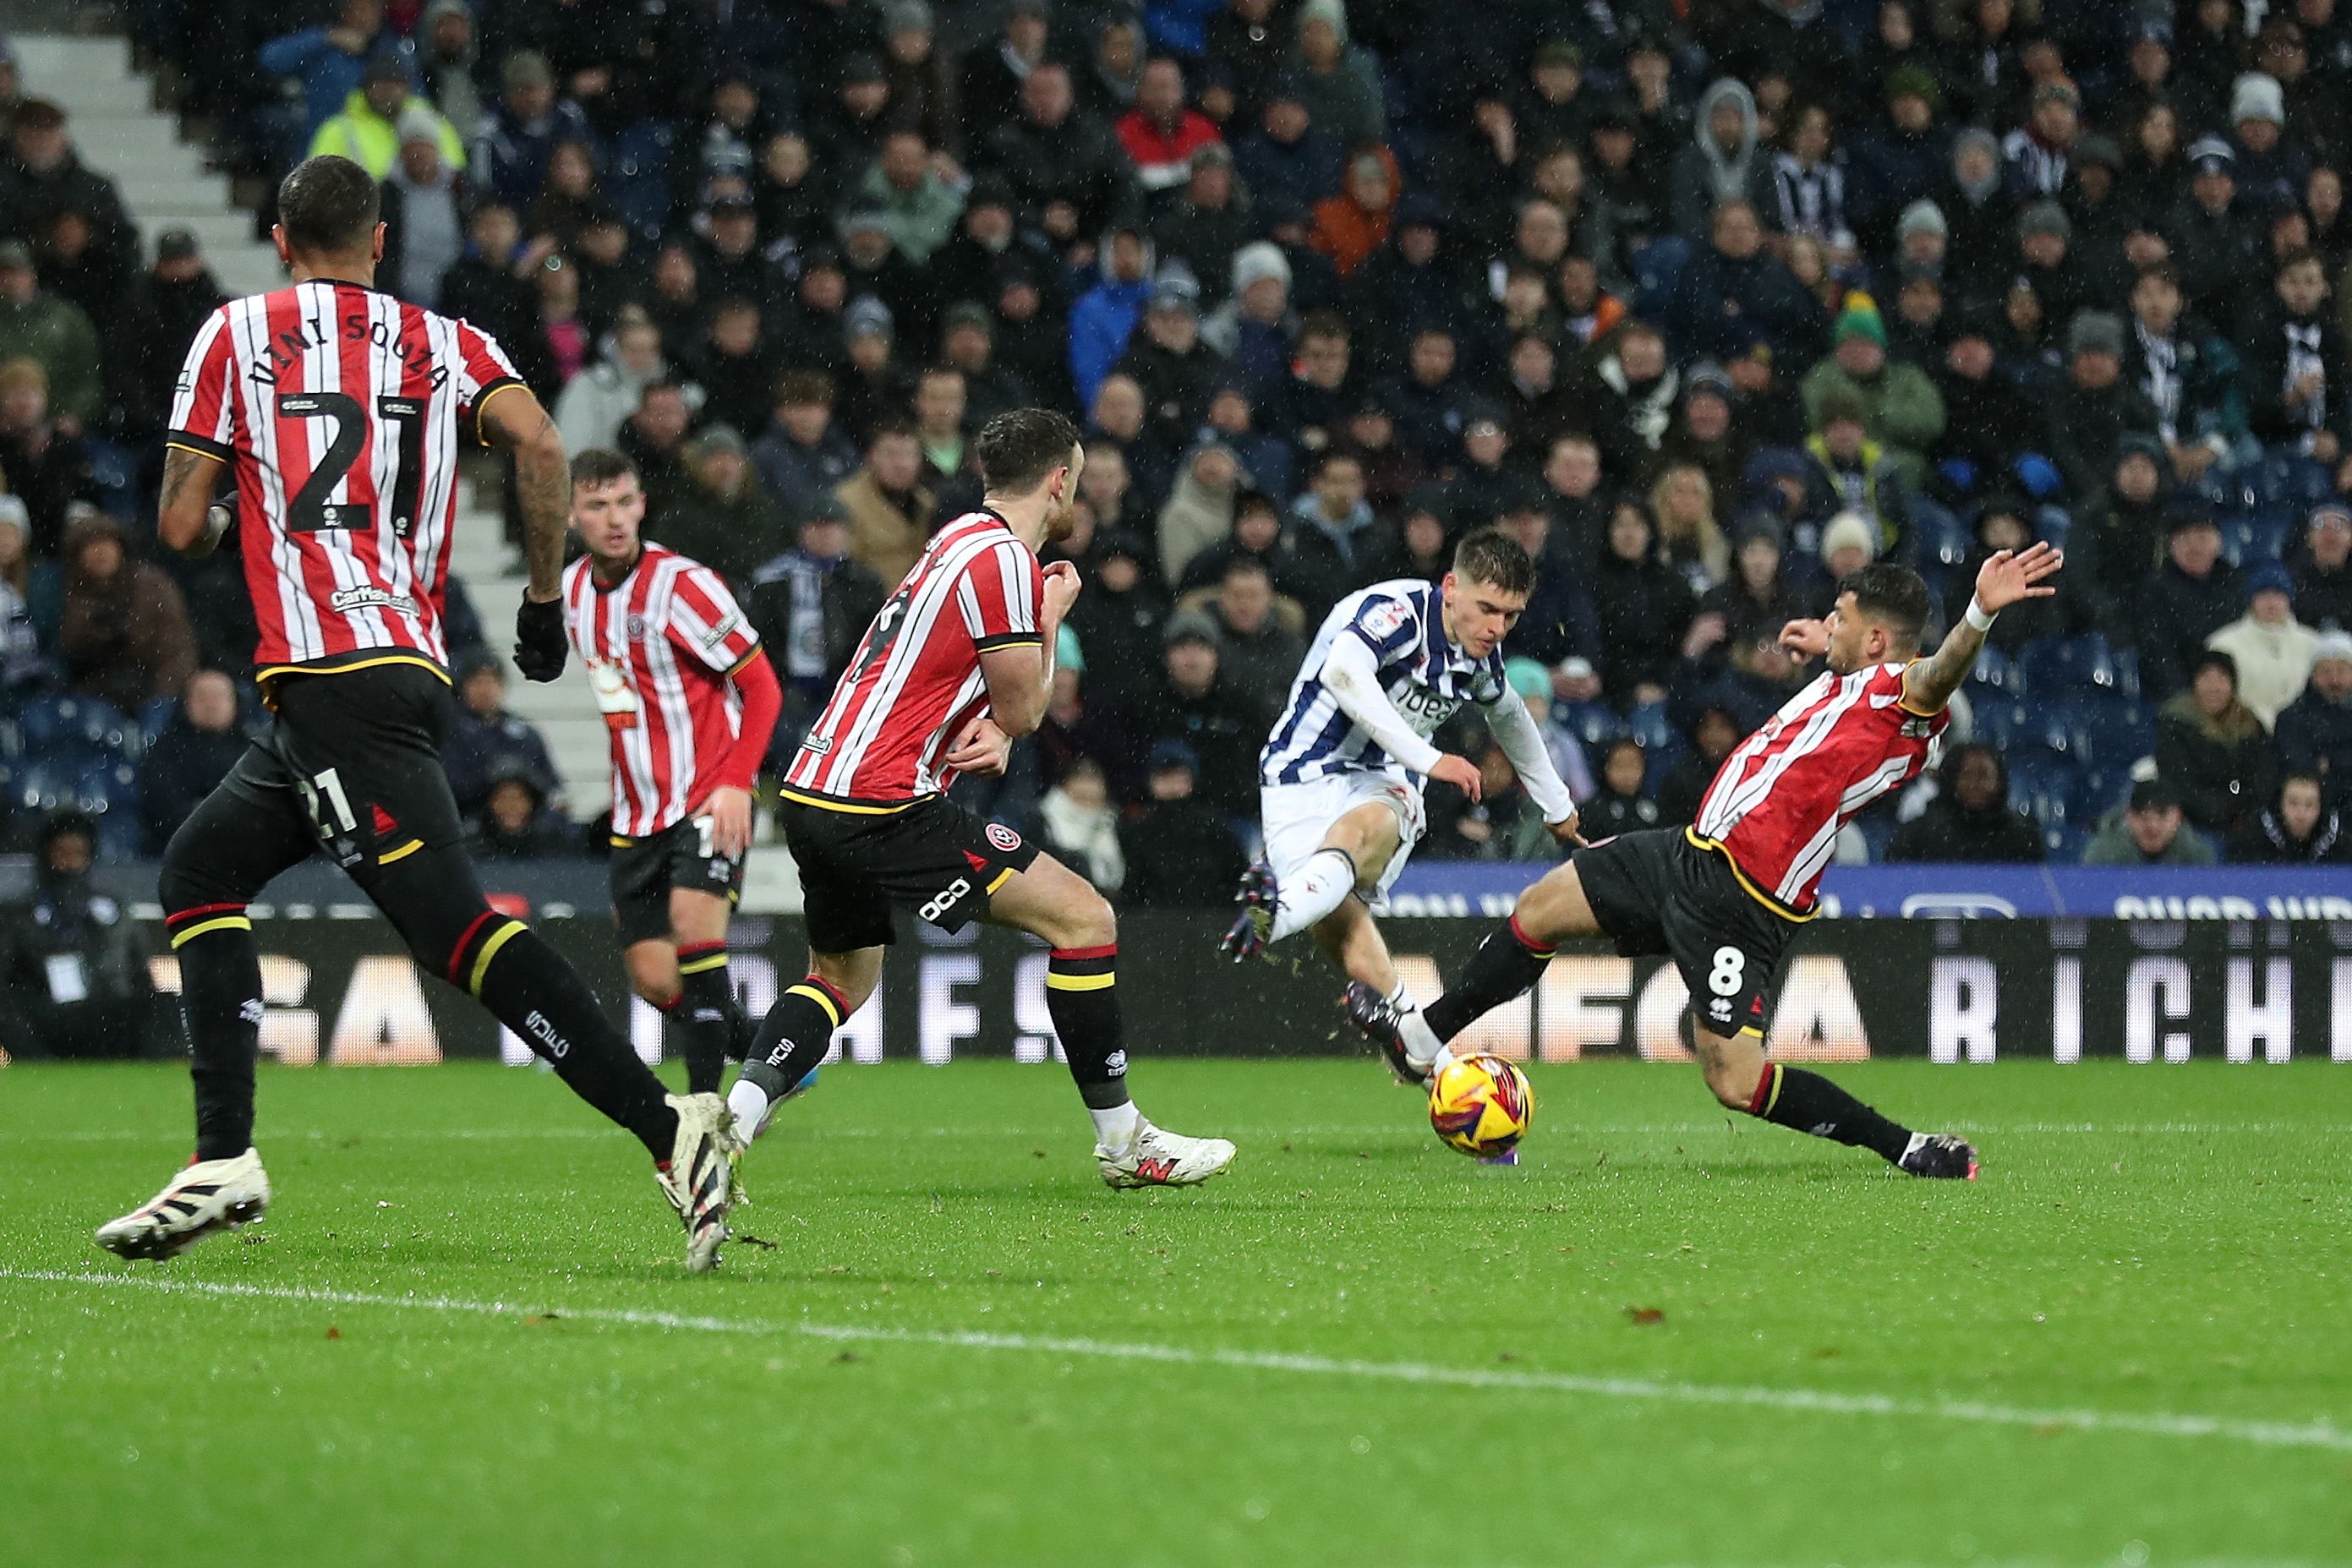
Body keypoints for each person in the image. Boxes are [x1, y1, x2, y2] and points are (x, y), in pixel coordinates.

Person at [99, 156, 737, 1270]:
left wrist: (247, 497)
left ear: (281, 236)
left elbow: (182, 523)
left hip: (328, 672)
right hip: (395, 665)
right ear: (382, 243)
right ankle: (221, 1157)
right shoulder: (446, 342)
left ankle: (667, 1125)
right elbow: (543, 446)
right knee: (200, 872)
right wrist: (544, 600)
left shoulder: (235, 333)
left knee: (452, 929)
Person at [1354, 549, 2067, 1179]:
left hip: (1744, 900)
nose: (1827, 623)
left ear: (1878, 636)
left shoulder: (1904, 695)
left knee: (1734, 1078)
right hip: (1688, 851)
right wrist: (1830, 640)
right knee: (1541, 909)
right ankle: (1420, 1037)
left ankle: (1903, 1145)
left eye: (1839, 616)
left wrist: (1977, 613)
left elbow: (1938, 674)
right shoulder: (1852, 676)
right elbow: (1865, 661)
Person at [733, 408, 1235, 1189]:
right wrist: (1051, 618)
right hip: (885, 802)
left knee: (838, 979)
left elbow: (941, 674)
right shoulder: (1005, 565)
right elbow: (1030, 708)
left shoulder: (955, 538)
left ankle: (726, 1126)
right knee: (1084, 917)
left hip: (813, 788)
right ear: (1061, 480)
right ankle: (1126, 1140)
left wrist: (994, 729)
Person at [1222, 530, 1580, 1071]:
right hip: (1298, 775)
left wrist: (1556, 802)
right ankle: (1430, 1059)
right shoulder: (1394, 614)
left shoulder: (1479, 656)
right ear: (1451, 586)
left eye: (1510, 616)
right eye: (1487, 609)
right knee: (1341, 922)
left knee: (1365, 829)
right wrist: (1430, 758)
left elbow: (1508, 714)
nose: (1496, 628)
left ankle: (1276, 911)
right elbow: (1344, 673)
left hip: (1383, 779)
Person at [561, 448, 785, 1098]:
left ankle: (707, 1111)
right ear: (573, 514)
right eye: (598, 506)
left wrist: (736, 782)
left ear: (642, 505)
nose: (614, 519)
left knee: (695, 928)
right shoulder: (574, 590)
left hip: (707, 796)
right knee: (657, 979)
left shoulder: (681, 585)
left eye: (625, 502)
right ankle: (785, 1052)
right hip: (636, 812)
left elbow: (762, 687)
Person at [0, 811, 157, 1059]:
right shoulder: (18, 918)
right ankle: (42, 1068)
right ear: (46, 857)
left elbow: (143, 981)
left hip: (107, 1017)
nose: (71, 864)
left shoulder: (114, 914)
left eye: (79, 855)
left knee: (162, 1006)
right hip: (47, 1020)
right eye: (62, 854)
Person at [2155, 649, 2280, 840]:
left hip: (2248, 824)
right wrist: (2222, 811)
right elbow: (2179, 785)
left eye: (2221, 678)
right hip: (2193, 826)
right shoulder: (2177, 726)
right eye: (2206, 678)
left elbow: (2265, 778)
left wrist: (2246, 811)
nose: (2214, 687)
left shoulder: (2250, 725)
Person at [1117, 739, 1250, 904]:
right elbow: (1131, 890)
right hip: (1153, 924)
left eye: (1178, 776)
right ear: (1151, 782)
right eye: (1164, 776)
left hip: (1214, 922)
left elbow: (1236, 880)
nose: (1172, 785)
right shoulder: (1135, 832)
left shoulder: (1215, 828)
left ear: (1191, 780)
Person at [137, 669, 247, 855]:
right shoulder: (164, 753)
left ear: (235, 704)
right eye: (202, 697)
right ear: (186, 703)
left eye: (220, 696)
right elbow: (164, 811)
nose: (211, 705)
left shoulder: (253, 751)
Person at [1884, 743, 2044, 862]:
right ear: (1952, 780)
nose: (1975, 784)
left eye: (1983, 776)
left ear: (1999, 782)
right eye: (1967, 775)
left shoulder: (2023, 837)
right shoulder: (1916, 835)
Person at [2081, 777, 2217, 865]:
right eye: (2143, 817)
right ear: (2128, 816)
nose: (2153, 826)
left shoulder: (2197, 854)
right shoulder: (2103, 854)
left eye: (2162, 815)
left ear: (2177, 817)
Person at [2229, 770, 2346, 861]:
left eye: (2309, 805)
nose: (2301, 814)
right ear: (2280, 804)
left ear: (2321, 807)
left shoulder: (2342, 849)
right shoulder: (2252, 843)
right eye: (2293, 803)